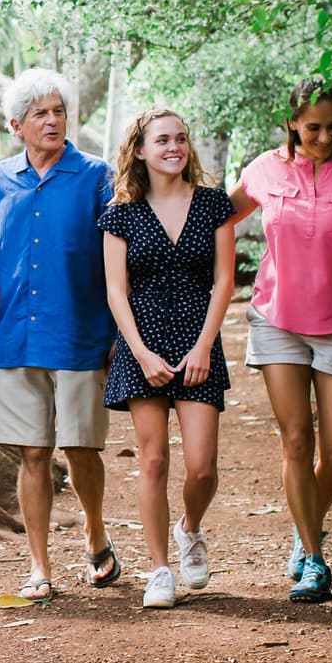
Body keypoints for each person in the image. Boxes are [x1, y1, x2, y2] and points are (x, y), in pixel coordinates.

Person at [229, 78, 332, 604]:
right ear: (293, 122)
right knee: (297, 439)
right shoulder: (263, 170)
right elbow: (213, 220)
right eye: (314, 127)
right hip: (276, 319)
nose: (325, 137)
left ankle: (304, 532)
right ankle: (316, 560)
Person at [0, 68, 117, 601]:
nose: (53, 120)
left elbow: (116, 255)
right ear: (17, 125)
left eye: (59, 110)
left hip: (82, 333)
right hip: (17, 336)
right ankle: (39, 567)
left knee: (81, 448)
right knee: (33, 454)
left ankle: (94, 530)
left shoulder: (96, 176)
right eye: (41, 113)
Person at [99, 108, 236, 609]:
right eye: (162, 140)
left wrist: (203, 346)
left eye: (180, 138)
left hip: (198, 340)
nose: (174, 147)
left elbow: (225, 280)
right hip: (143, 344)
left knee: (202, 467)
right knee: (153, 460)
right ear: (140, 150)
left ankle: (190, 528)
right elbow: (116, 290)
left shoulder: (213, 204)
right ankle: (159, 570)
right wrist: (140, 352)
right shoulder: (120, 213)